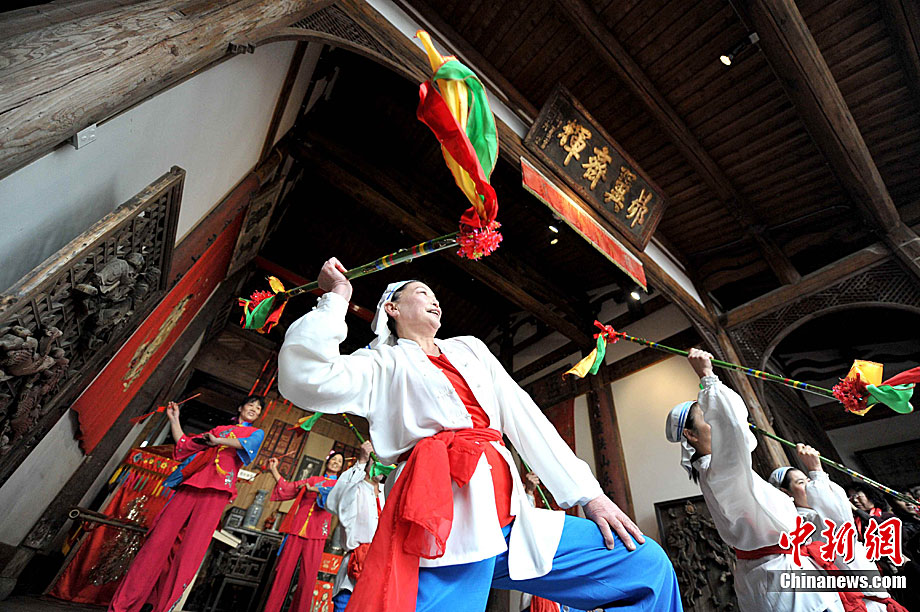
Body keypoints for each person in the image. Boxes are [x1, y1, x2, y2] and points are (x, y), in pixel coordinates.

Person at [278, 261, 681, 612]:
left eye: (436, 295)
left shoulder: (470, 349)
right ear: (392, 308)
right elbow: (305, 378)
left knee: (645, 565)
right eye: (422, 292)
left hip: (512, 521)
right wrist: (336, 297)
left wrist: (588, 495)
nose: (435, 300)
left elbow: (524, 416)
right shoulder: (381, 362)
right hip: (439, 526)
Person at [666, 348, 844, 612]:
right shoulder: (718, 471)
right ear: (691, 435)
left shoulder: (722, 470)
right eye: (707, 416)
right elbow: (732, 428)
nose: (714, 418)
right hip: (778, 577)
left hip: (782, 569)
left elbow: (736, 432)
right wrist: (707, 378)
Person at [108, 395, 265, 612]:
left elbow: (244, 445)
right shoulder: (218, 430)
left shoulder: (255, 433)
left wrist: (217, 441)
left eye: (258, 408)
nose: (254, 409)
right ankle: (125, 604)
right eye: (251, 404)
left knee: (190, 552)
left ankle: (162, 607)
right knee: (157, 541)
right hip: (191, 485)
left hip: (218, 492)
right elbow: (184, 445)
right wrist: (174, 419)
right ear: (240, 407)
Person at [769, 446, 906, 611]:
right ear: (786, 493)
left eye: (808, 480)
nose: (809, 485)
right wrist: (816, 470)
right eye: (800, 482)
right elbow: (838, 520)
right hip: (862, 603)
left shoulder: (815, 515)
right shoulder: (803, 522)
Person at [263, 449, 344, 612]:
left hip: (317, 534)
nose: (335, 462)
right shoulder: (313, 479)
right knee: (282, 574)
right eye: (334, 459)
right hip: (296, 531)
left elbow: (336, 497)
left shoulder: (340, 485)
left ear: (341, 467)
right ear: (328, 461)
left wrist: (315, 490)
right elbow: (288, 488)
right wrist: (274, 469)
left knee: (307, 580)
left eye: (339, 461)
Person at [325, 441, 385, 612]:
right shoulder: (355, 486)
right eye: (377, 458)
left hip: (380, 574)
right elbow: (335, 503)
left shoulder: (387, 492)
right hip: (353, 572)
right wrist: (361, 462)